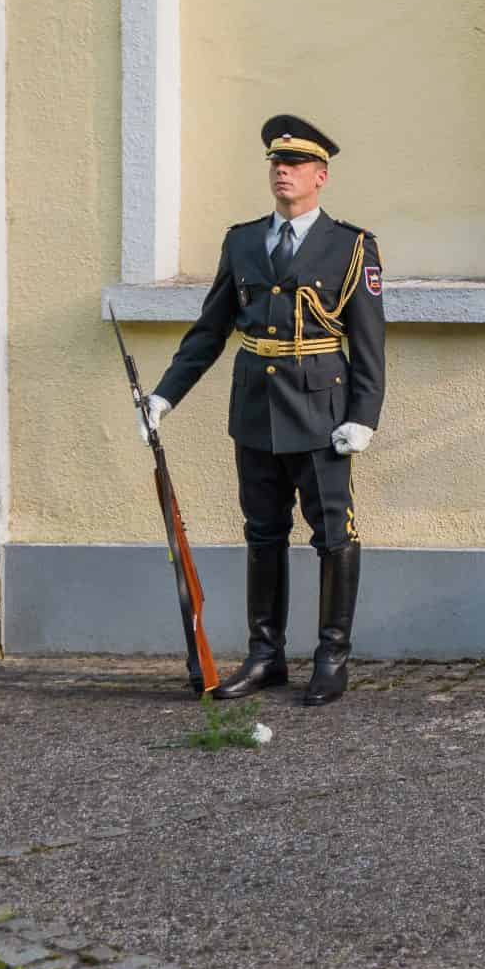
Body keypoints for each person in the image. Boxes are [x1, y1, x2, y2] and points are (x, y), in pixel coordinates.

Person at [140, 115, 384, 706]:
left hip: (323, 412)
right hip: (254, 408)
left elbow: (369, 342)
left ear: (320, 176)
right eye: (277, 163)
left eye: (296, 164)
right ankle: (265, 655)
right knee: (263, 533)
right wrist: (165, 395)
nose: (283, 171)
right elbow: (210, 330)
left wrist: (363, 415)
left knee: (332, 535)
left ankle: (331, 656)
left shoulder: (351, 246)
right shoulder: (243, 241)